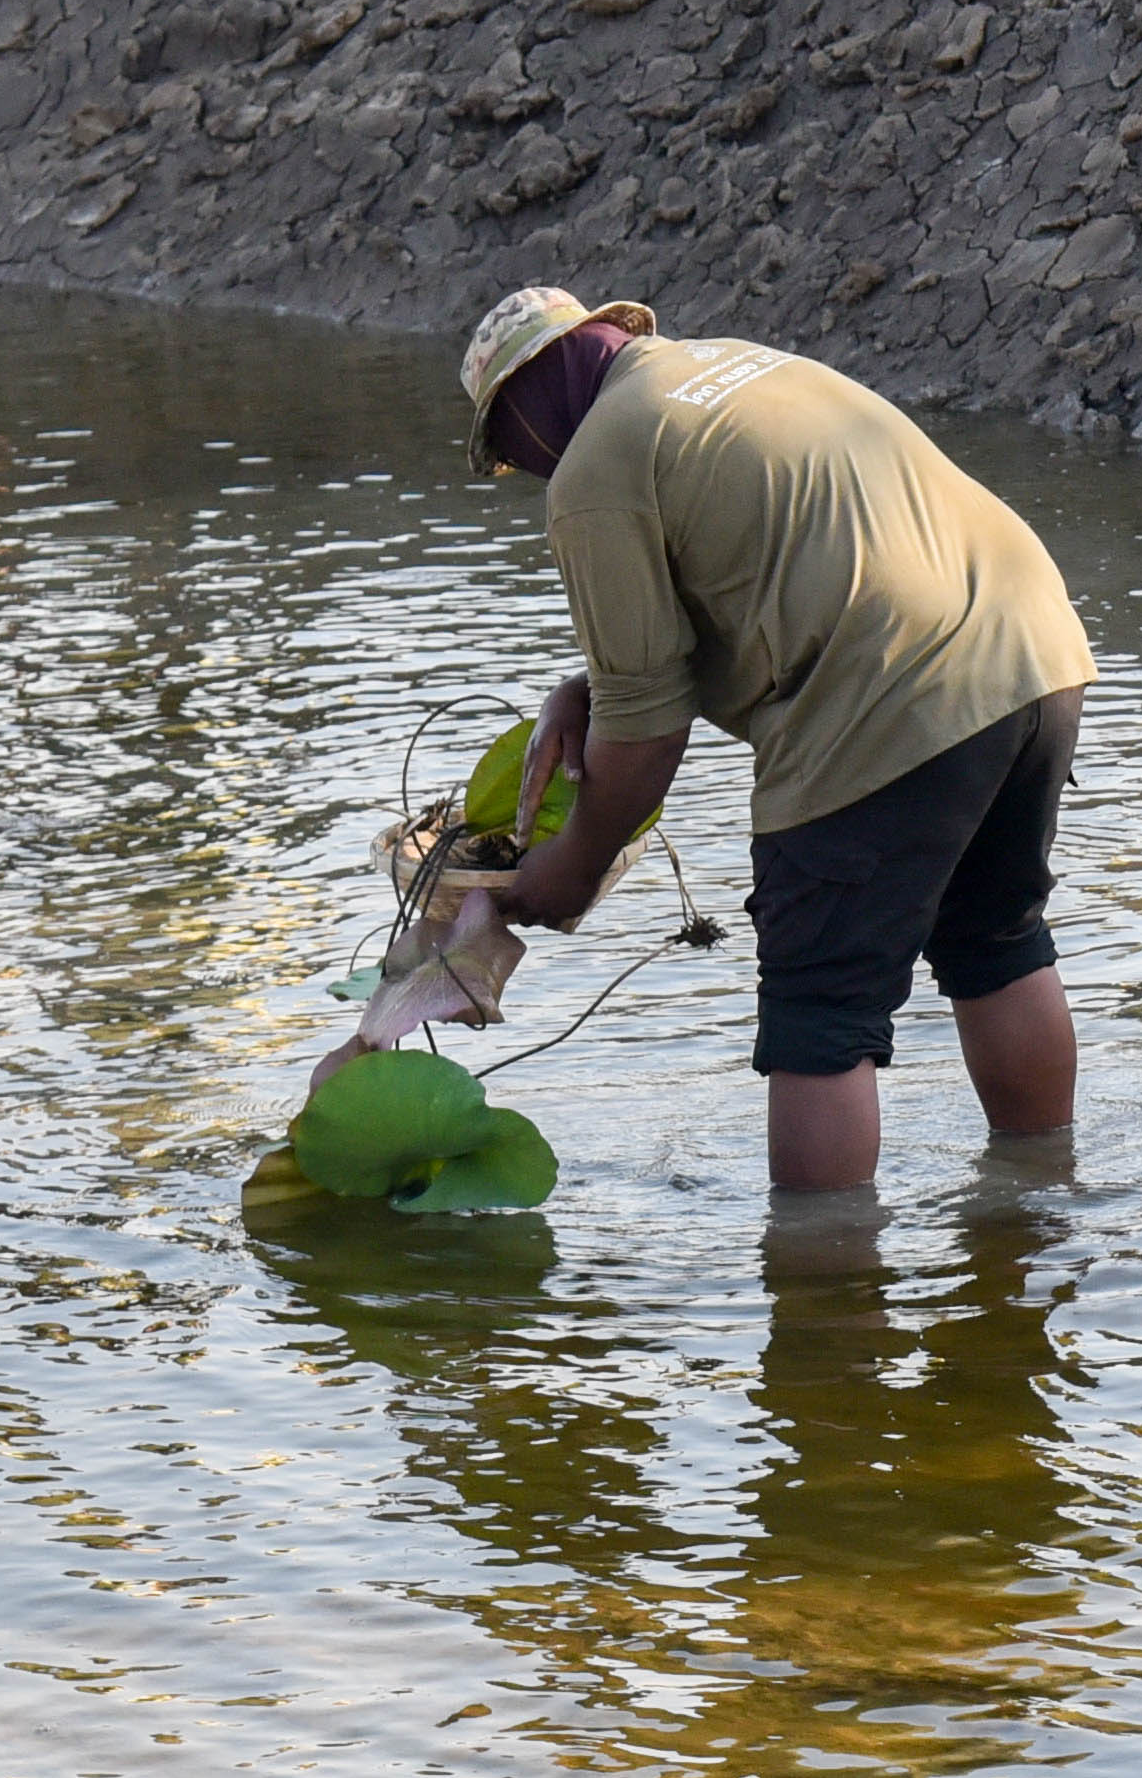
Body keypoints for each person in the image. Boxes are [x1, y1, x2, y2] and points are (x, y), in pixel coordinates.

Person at [447, 287, 1097, 1201]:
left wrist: (568, 872)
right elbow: (778, 565)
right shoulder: (730, 368)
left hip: (888, 694)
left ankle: (821, 1276)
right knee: (996, 938)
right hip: (1031, 649)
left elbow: (646, 732)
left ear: (525, 403)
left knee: (819, 1015)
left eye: (512, 450)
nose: (527, 467)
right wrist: (582, 691)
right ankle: (1041, 1209)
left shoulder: (593, 468)